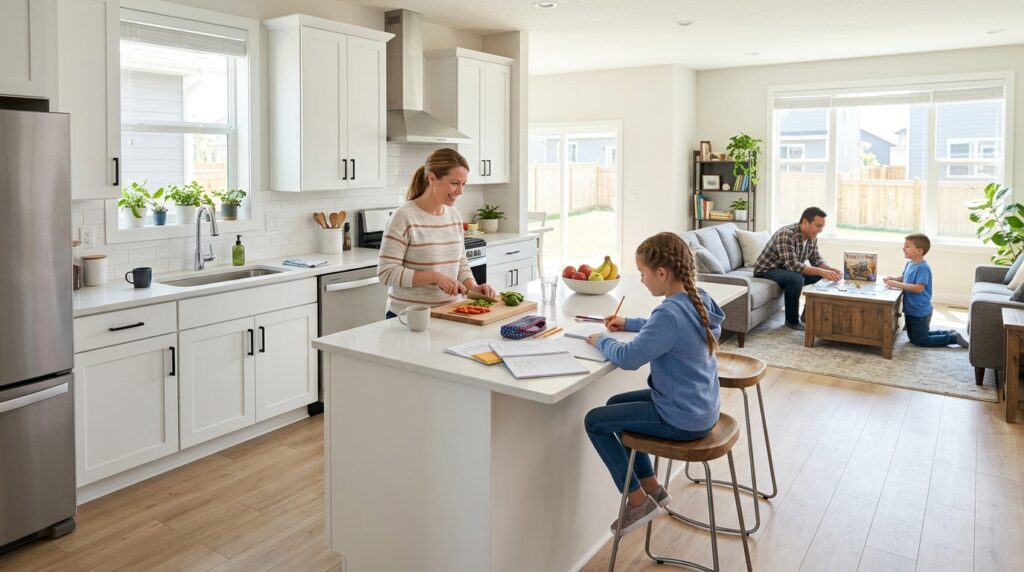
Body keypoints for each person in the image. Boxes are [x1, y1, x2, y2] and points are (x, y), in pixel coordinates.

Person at [583, 232, 724, 535]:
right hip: (699, 407)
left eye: (643, 273)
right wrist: (630, 323)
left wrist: (602, 340)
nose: (642, 280)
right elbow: (669, 329)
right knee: (613, 407)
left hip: (681, 417)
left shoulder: (669, 312)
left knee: (595, 421)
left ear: (661, 273)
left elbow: (628, 358)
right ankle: (651, 487)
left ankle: (637, 502)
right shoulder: (697, 298)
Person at [377, 148, 497, 318]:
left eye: (463, 184)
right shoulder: (404, 216)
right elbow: (386, 273)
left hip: (449, 313)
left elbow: (460, 263)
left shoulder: (454, 215)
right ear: (432, 178)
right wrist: (435, 277)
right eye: (455, 183)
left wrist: (473, 287)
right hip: (408, 318)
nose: (460, 191)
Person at [754, 206, 842, 331]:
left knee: (820, 276)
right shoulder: (786, 234)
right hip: (767, 270)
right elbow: (793, 265)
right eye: (818, 226)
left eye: (822, 227)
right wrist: (823, 271)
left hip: (785, 270)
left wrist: (830, 270)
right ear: (805, 222)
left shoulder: (812, 236)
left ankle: (808, 315)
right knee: (796, 279)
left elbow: (816, 259)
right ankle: (791, 321)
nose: (820, 230)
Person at [883, 233, 969, 348]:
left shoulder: (923, 268)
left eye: (907, 246)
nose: (903, 248)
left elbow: (919, 288)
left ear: (919, 251)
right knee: (914, 338)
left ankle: (953, 338)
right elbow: (904, 277)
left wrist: (897, 284)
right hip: (911, 309)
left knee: (920, 341)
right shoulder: (909, 264)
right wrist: (892, 278)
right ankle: (948, 332)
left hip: (920, 311)